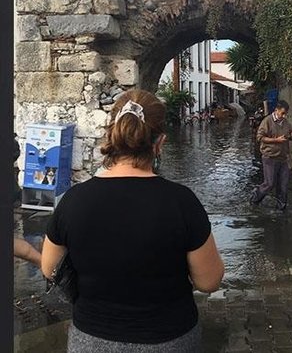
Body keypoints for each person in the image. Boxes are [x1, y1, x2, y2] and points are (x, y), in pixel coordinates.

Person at [41, 89, 224, 352]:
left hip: (92, 339)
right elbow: (209, 282)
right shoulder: (182, 202)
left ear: (111, 136)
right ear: (160, 143)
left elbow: (49, 269)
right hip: (169, 338)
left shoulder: (73, 201)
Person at [251, 100, 292, 210]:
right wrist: (275, 140)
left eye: (285, 113)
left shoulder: (286, 122)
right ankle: (255, 197)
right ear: (276, 110)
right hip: (270, 157)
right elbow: (259, 137)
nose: (284, 115)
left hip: (283, 157)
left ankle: (281, 207)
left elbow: (290, 134)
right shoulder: (267, 121)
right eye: (282, 113)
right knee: (269, 184)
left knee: (284, 185)